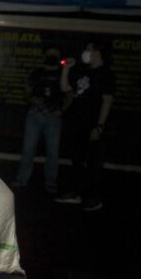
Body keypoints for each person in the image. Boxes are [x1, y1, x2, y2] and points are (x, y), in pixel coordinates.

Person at [54, 41, 115, 211]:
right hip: (77, 124)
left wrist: (99, 126)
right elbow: (65, 88)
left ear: (98, 52)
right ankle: (76, 193)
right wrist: (66, 68)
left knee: (93, 163)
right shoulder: (84, 71)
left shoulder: (106, 74)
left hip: (92, 125)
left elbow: (107, 101)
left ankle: (93, 198)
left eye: (89, 49)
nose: (85, 52)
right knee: (77, 161)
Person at [11, 46, 65, 194]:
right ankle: (22, 179)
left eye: (55, 54)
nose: (52, 56)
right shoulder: (36, 73)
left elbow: (69, 94)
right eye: (49, 54)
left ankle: (51, 182)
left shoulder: (62, 74)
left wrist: (62, 110)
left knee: (52, 152)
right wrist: (32, 100)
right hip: (35, 115)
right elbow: (26, 92)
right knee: (28, 150)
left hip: (54, 117)